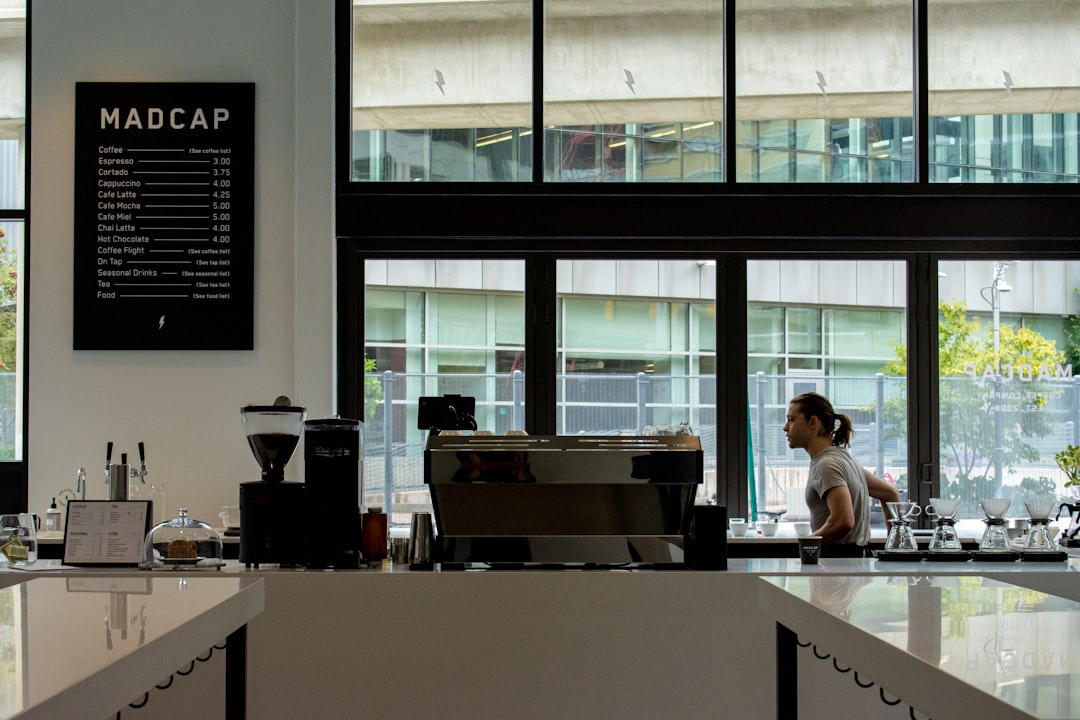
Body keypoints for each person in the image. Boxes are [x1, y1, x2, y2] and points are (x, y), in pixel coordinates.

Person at [784, 392, 899, 548]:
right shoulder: (844, 459)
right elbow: (890, 494)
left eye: (791, 420)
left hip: (837, 559)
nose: (785, 428)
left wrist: (806, 546)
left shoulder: (826, 465)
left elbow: (842, 521)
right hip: (856, 558)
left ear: (813, 422)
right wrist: (894, 546)